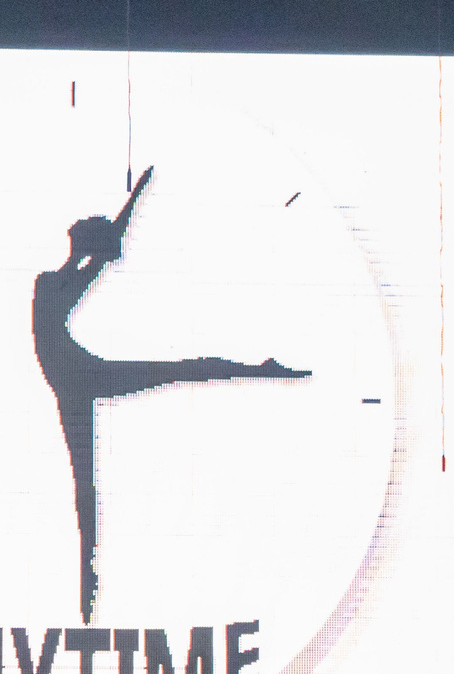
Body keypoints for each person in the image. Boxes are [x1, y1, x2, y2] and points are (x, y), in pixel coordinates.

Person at [33, 166, 310, 621]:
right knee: (85, 478)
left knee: (177, 374)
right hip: (77, 380)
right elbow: (90, 264)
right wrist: (117, 224)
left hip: (80, 378)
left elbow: (101, 254)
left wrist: (129, 208)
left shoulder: (61, 282)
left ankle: (261, 370)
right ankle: (88, 578)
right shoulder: (50, 284)